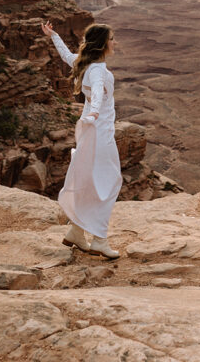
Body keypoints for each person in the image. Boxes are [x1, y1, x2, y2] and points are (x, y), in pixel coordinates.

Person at [41, 20, 122, 259]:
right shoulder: (97, 71)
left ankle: (76, 231)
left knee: (90, 181)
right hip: (100, 134)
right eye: (112, 38)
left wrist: (53, 35)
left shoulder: (85, 63)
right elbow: (97, 92)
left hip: (90, 133)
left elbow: (66, 55)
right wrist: (95, 111)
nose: (115, 42)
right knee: (108, 184)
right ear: (102, 44)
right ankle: (99, 239)